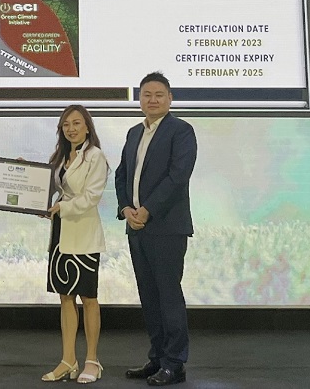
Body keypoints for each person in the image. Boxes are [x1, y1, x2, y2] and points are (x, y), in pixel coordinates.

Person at [114, 72, 197, 386]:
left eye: (159, 94)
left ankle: (175, 364)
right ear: (139, 99)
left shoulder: (181, 131)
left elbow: (178, 176)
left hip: (167, 228)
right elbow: (122, 174)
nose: (152, 100)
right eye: (146, 94)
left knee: (168, 296)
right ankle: (158, 358)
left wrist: (147, 209)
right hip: (136, 228)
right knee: (149, 297)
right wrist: (125, 208)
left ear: (170, 99)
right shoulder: (134, 132)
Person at [42, 104, 110, 385]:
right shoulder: (60, 156)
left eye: (77, 123)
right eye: (66, 124)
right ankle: (68, 360)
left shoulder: (95, 156)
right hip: (60, 234)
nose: (71, 129)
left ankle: (92, 360)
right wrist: (24, 173)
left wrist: (62, 207)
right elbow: (47, 188)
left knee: (88, 298)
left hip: (84, 235)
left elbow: (92, 197)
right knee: (65, 297)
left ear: (87, 127)